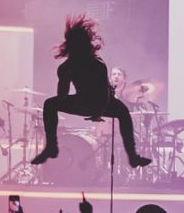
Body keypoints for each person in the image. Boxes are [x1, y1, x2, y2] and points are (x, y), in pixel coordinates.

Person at [32, 16, 151, 169]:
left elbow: (101, 94)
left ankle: (132, 156)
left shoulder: (90, 65)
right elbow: (64, 95)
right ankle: (51, 147)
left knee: (50, 104)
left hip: (93, 102)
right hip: (93, 102)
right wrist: (97, 111)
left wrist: (97, 112)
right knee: (122, 112)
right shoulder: (79, 66)